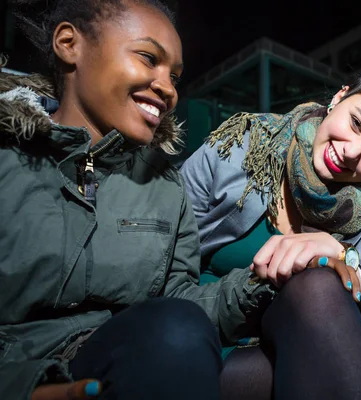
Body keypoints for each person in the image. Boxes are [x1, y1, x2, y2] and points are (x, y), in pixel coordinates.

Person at [0, 1, 276, 399]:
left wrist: (266, 277)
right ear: (68, 44)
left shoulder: (166, 185)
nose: (167, 88)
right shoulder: (9, 158)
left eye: (175, 77)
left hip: (124, 362)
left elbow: (180, 304)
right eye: (148, 58)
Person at [180, 64, 361, 399]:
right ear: (339, 97)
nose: (351, 152)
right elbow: (161, 271)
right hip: (211, 334)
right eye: (356, 123)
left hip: (301, 341)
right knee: (322, 290)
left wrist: (345, 257)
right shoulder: (242, 146)